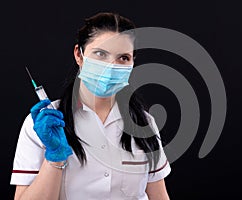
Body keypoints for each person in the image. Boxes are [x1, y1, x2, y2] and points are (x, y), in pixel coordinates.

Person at [10, 12, 171, 200]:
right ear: (79, 54)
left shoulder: (145, 123)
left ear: (132, 62)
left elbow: (159, 196)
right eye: (101, 54)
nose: (111, 66)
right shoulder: (45, 124)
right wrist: (55, 158)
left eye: (123, 58)